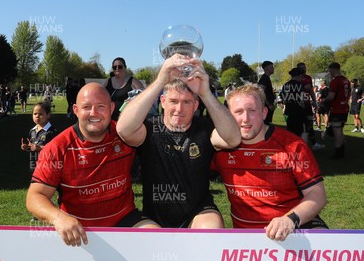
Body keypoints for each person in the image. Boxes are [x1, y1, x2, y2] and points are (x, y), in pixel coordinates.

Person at [26, 83, 158, 247]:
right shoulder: (57, 148)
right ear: (75, 110)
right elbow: (34, 197)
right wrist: (58, 218)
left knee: (156, 238)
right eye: (86, 107)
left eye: (100, 106)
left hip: (125, 219)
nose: (94, 113)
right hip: (78, 229)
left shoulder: (125, 135)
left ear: (111, 107)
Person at [117, 54, 241, 228]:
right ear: (163, 101)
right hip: (155, 216)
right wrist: (160, 81)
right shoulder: (150, 129)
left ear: (196, 105)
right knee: (150, 238)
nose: (179, 109)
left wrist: (205, 93)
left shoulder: (204, 128)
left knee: (211, 230)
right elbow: (123, 129)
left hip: (198, 212)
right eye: (173, 101)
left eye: (187, 102)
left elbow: (233, 139)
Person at [213, 84, 327, 241]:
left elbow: (317, 194)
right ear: (228, 115)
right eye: (238, 112)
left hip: (292, 228)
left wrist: (290, 219)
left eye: (252, 111)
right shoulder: (219, 148)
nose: (245, 119)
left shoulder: (292, 145)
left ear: (264, 113)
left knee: (323, 242)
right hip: (247, 236)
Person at [320, 62, 350, 159]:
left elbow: (331, 96)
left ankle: (338, 152)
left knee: (336, 131)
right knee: (340, 130)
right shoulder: (346, 80)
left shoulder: (335, 81)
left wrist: (324, 100)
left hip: (337, 108)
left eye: (330, 71)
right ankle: (342, 149)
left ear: (333, 69)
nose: (330, 73)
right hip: (344, 107)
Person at [21, 102, 58, 171]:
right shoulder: (32, 131)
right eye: (35, 114)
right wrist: (27, 147)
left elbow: (56, 150)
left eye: (40, 114)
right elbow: (33, 147)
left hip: (48, 166)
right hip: (35, 165)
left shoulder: (52, 131)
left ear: (48, 115)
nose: (37, 116)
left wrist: (40, 148)